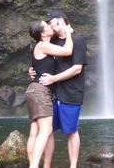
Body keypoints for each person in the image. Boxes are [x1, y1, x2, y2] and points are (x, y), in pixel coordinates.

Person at [29, 10, 88, 168]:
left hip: (71, 92)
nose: (48, 24)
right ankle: (46, 165)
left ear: (61, 21)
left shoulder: (77, 40)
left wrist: (54, 78)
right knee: (49, 131)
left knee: (72, 130)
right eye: (46, 23)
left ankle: (73, 166)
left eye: (50, 21)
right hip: (51, 93)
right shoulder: (51, 40)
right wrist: (32, 70)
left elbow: (77, 68)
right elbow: (40, 57)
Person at [27, 19, 74, 168]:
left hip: (34, 91)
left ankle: (33, 165)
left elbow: (38, 66)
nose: (50, 26)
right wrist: (69, 34)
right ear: (43, 33)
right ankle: (33, 166)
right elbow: (68, 51)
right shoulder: (43, 45)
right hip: (40, 92)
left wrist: (31, 71)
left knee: (35, 132)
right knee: (46, 130)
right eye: (47, 26)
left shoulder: (41, 46)